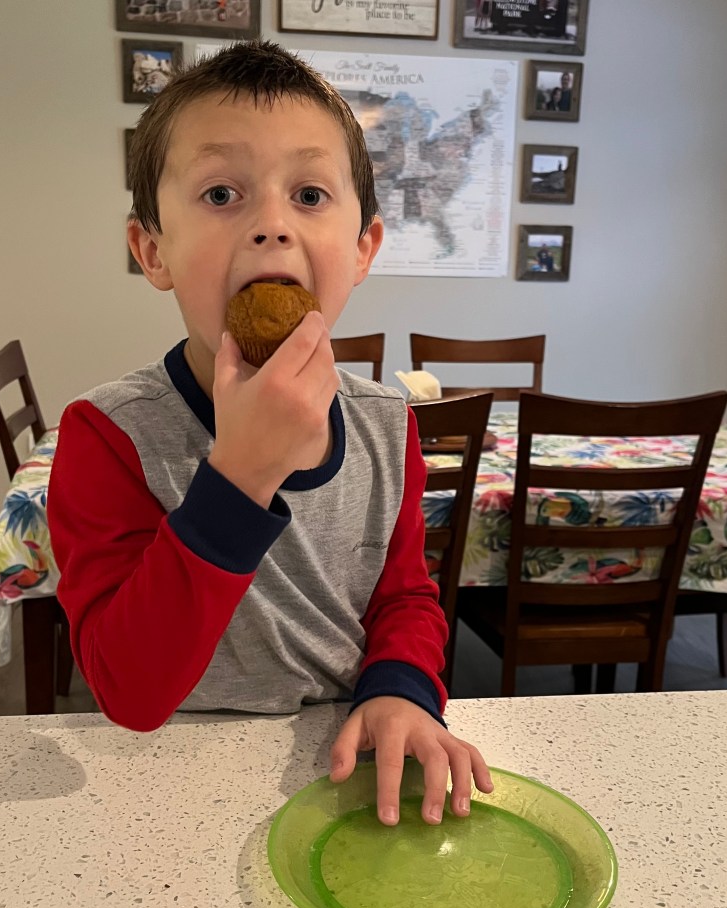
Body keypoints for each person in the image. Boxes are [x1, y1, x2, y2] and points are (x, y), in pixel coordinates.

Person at [47, 40, 493, 828]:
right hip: (171, 777)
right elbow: (128, 691)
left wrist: (400, 689)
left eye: (311, 194)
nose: (273, 225)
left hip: (343, 767)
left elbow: (403, 597)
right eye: (221, 193)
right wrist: (240, 476)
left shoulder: (388, 427)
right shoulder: (108, 435)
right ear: (153, 249)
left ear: (363, 249)